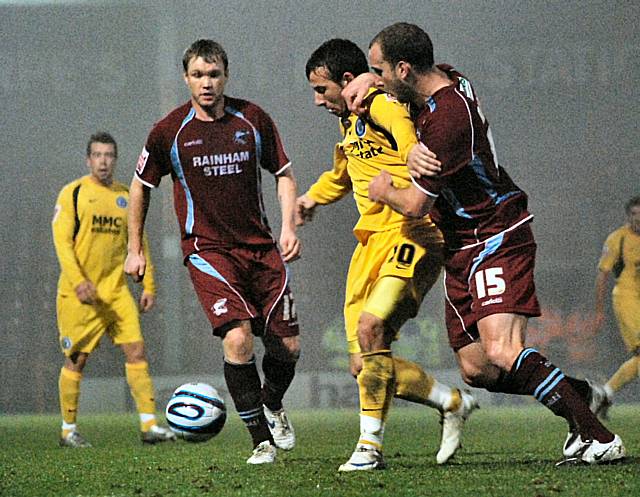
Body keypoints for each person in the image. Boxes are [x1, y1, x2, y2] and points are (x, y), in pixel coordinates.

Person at [345, 22, 625, 465]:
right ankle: (579, 396)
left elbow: (416, 204)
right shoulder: (449, 81)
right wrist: (370, 81)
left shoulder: (447, 122)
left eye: (379, 71)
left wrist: (385, 190)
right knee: (478, 368)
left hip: (494, 234)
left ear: (403, 69)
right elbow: (425, 80)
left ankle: (600, 438)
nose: (374, 80)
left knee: (503, 349)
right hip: (461, 243)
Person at [298, 39, 477, 471]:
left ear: (347, 81)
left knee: (371, 325)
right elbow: (343, 175)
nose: (317, 100)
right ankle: (449, 402)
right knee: (364, 360)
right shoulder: (350, 124)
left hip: (412, 232)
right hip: (370, 243)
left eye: (321, 90)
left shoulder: (377, 104)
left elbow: (398, 122)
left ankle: (369, 447)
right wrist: (310, 199)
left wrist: (413, 147)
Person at [125, 39, 301, 465]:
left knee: (288, 349)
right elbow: (140, 187)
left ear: (226, 76)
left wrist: (289, 226)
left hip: (261, 250)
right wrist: (135, 249)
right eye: (198, 75)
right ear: (185, 78)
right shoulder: (169, 131)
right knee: (238, 339)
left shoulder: (252, 119)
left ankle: (271, 403)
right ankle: (261, 441)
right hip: (208, 251)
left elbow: (284, 175)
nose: (206, 83)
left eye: (214, 74)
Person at [52, 131, 176, 447]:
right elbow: (62, 243)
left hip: (117, 290)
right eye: (97, 155)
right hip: (80, 293)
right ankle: (68, 431)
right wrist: (79, 282)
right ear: (88, 159)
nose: (103, 161)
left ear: (116, 159)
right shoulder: (74, 193)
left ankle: (149, 426)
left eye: (109, 155)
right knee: (76, 359)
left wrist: (148, 283)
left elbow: (139, 241)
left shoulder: (125, 196)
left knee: (136, 351)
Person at [593, 196, 640, 415]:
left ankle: (604, 394)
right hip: (626, 299)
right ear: (628, 216)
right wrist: (600, 311)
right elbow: (602, 275)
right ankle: (605, 394)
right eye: (633, 214)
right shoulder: (617, 239)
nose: (637, 219)